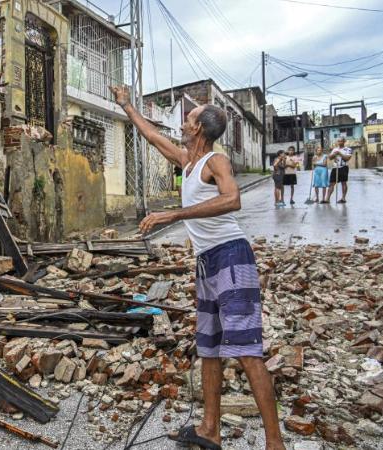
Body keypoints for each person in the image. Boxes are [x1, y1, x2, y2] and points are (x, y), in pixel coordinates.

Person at [110, 85, 285, 450]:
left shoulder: (214, 162)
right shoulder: (187, 162)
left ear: (199, 130)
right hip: (207, 263)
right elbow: (151, 135)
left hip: (233, 258)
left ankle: (275, 444)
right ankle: (210, 429)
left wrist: (174, 213)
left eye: (188, 119)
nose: (182, 124)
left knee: (247, 350)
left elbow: (232, 198)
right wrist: (127, 104)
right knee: (209, 348)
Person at [327, 137, 353, 203]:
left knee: (343, 182)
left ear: (344, 141)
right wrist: (334, 154)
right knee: (331, 183)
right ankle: (327, 199)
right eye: (338, 141)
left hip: (343, 167)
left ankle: (343, 198)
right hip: (335, 167)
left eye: (341, 141)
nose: (339, 142)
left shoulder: (348, 149)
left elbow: (347, 158)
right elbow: (330, 158)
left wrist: (340, 153)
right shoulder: (335, 149)